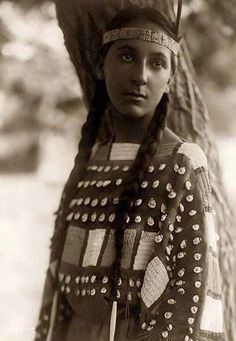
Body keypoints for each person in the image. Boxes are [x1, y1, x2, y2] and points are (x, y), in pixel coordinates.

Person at [34, 3, 226, 341]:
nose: (140, 75)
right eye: (126, 56)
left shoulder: (182, 165)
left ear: (170, 79)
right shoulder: (87, 166)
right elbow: (56, 295)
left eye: (157, 63)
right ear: (100, 65)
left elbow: (187, 300)